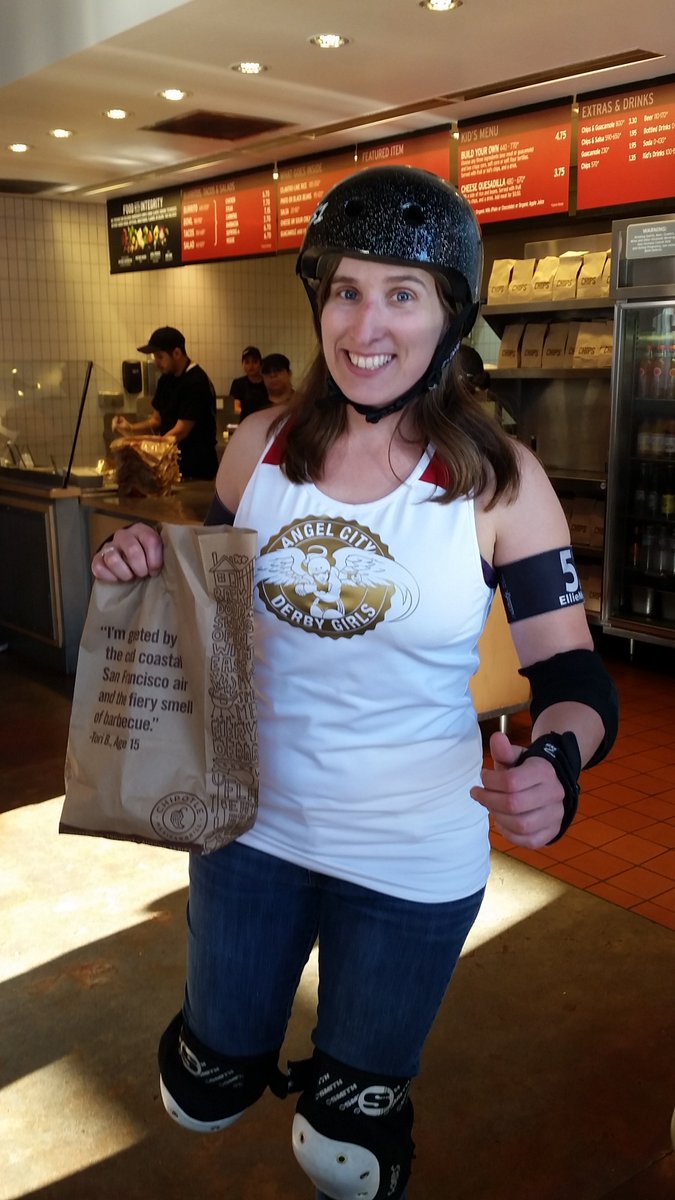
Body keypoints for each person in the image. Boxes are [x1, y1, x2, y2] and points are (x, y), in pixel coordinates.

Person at [92, 166, 619, 1200]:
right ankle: (224, 1048)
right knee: (200, 1094)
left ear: (451, 318)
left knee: (345, 1154)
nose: (365, 322)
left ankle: (358, 1096)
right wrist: (146, 572)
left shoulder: (501, 481)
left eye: (402, 292)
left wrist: (556, 757)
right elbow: (209, 605)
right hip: (250, 830)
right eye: (346, 289)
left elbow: (572, 672)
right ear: (319, 298)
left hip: (412, 855)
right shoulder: (260, 448)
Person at [114, 326, 218, 480]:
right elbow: (156, 420)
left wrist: (148, 451)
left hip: (196, 470)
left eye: (160, 356)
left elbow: (181, 431)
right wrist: (130, 429)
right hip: (170, 467)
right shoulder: (165, 379)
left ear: (176, 353)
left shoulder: (196, 381)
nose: (156, 362)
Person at [229, 345, 270, 420]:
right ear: (243, 365)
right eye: (247, 362)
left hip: (266, 422)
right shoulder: (238, 384)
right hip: (245, 424)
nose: (251, 366)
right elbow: (235, 406)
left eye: (254, 362)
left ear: (260, 364)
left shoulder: (268, 382)